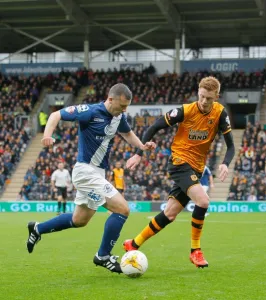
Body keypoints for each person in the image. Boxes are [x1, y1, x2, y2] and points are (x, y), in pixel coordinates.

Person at [26, 83, 155, 274]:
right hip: (86, 172)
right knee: (122, 209)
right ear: (110, 99)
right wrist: (47, 135)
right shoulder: (89, 111)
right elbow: (55, 115)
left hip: (97, 173)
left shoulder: (119, 115)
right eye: (122, 106)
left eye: (126, 106)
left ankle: (38, 229)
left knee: (80, 220)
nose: (124, 110)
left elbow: (127, 133)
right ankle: (103, 256)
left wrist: (142, 147)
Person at [123, 76, 235, 268]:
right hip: (179, 162)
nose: (204, 101)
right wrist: (139, 153)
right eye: (201, 96)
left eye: (209, 98)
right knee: (203, 201)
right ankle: (195, 251)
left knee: (170, 214)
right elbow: (155, 125)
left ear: (216, 96)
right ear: (198, 92)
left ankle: (133, 243)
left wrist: (225, 163)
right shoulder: (185, 110)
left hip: (197, 168)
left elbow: (231, 145)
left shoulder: (220, 113)